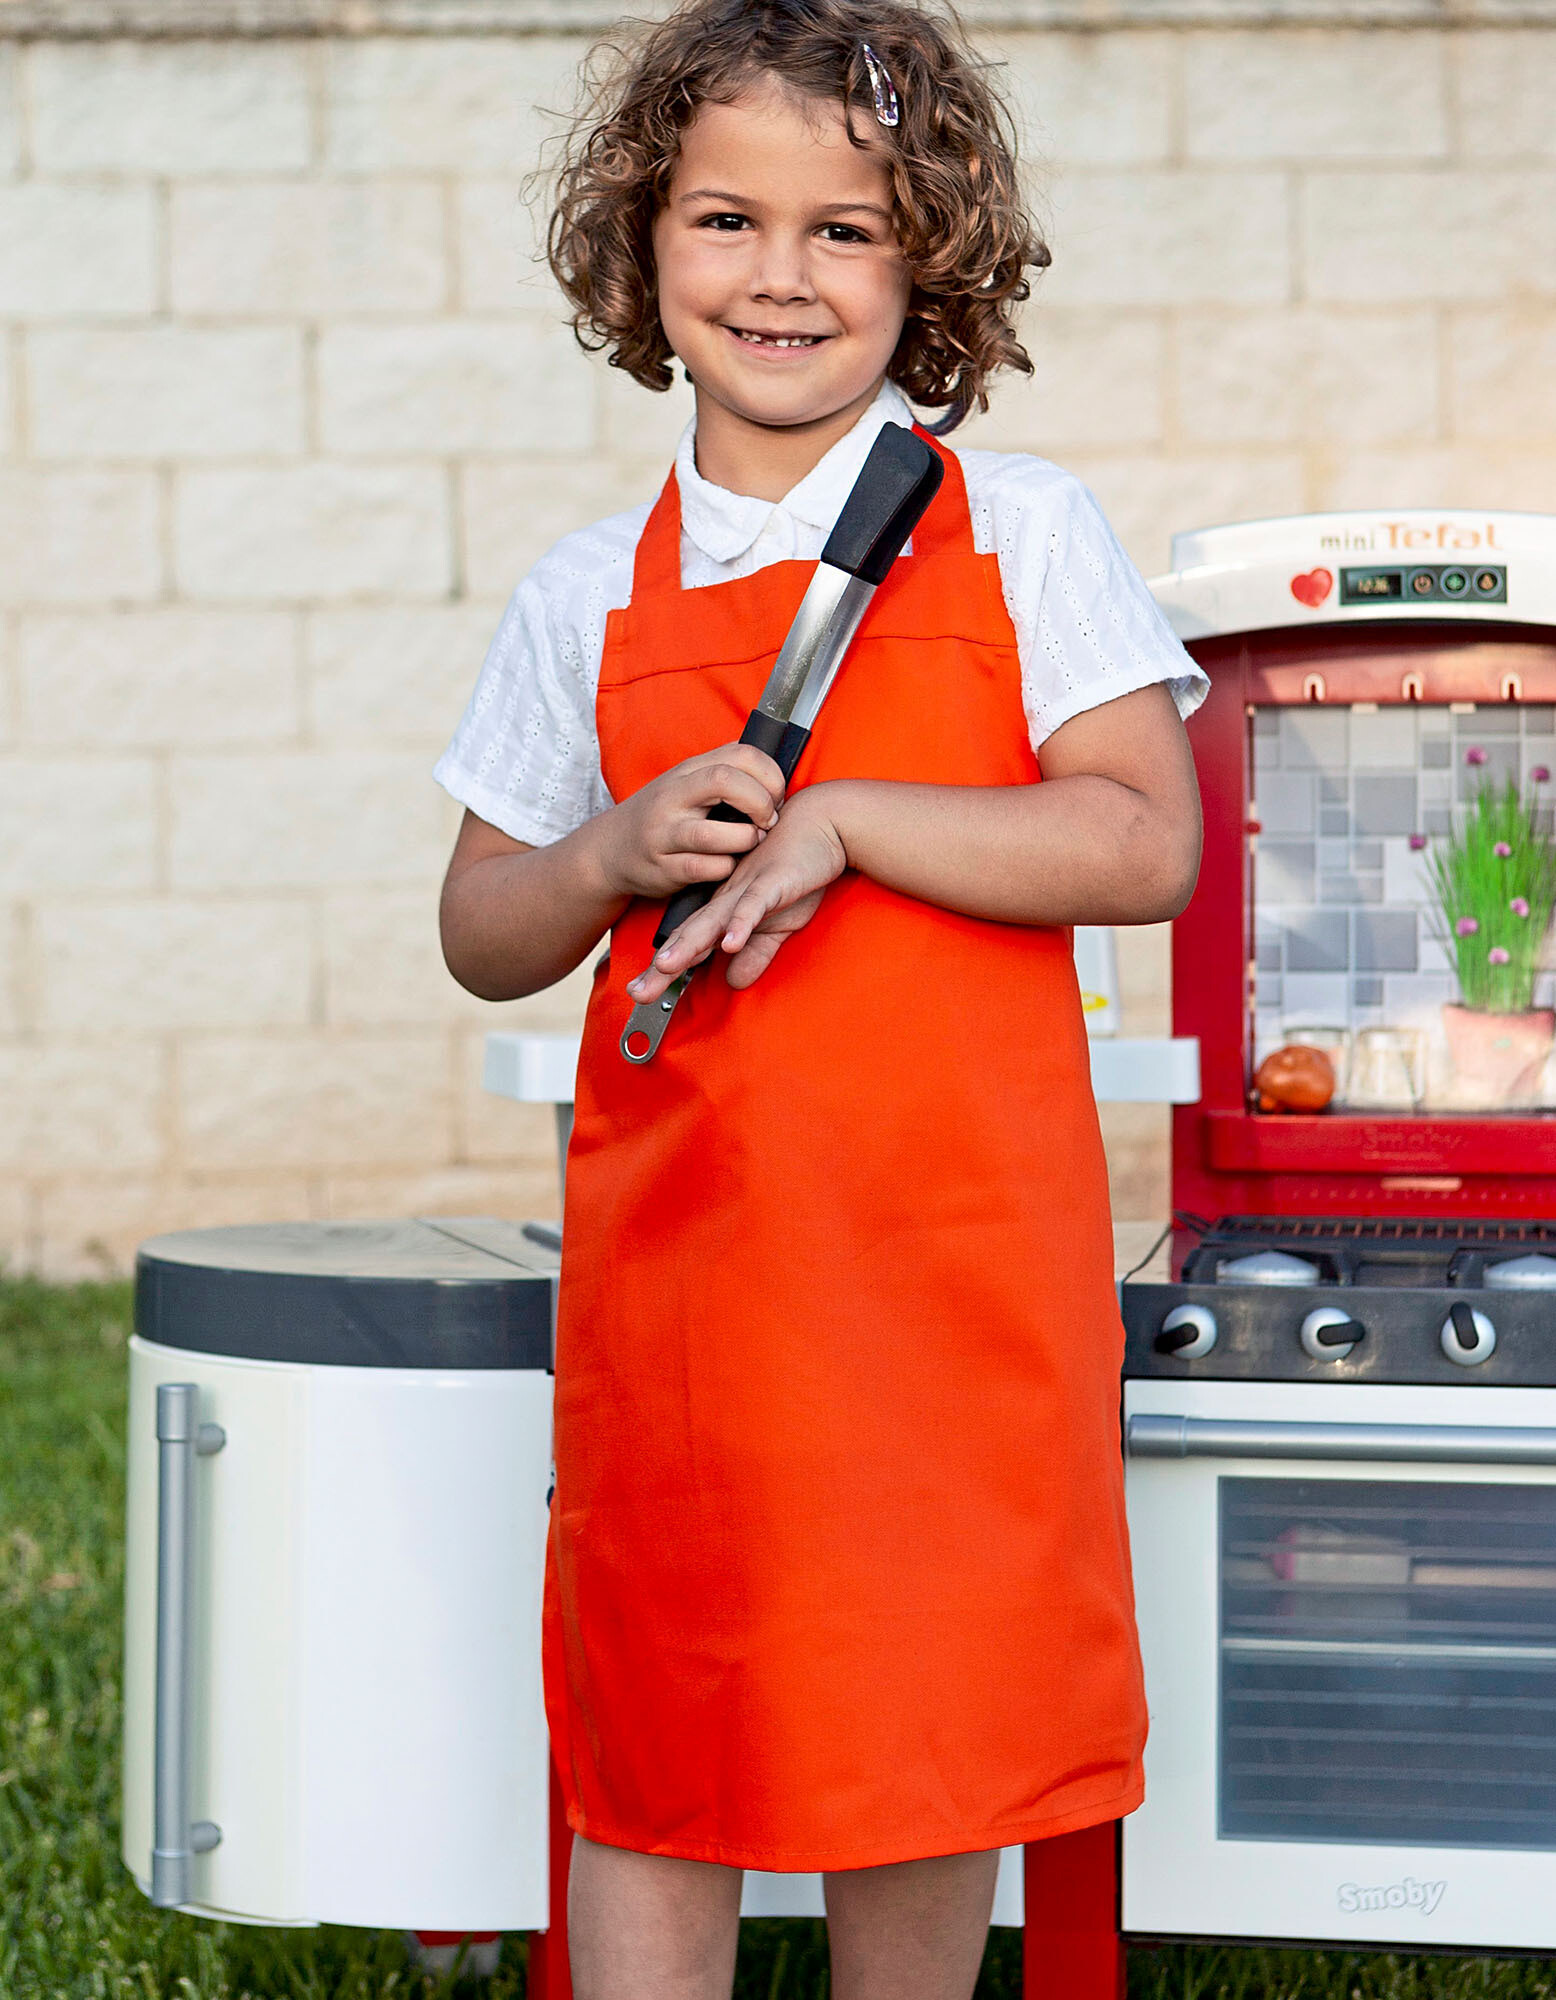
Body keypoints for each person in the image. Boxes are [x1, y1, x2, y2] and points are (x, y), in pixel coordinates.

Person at [436, 2, 1206, 1994]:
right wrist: (608, 853)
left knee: (929, 1727)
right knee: (658, 1735)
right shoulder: (584, 592)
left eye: (844, 229)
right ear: (642, 248)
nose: (780, 274)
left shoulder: (1020, 530)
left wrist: (852, 821)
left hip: (953, 1291)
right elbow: (484, 927)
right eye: (727, 219)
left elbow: (1144, 841)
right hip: (690, 1297)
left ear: (928, 260)